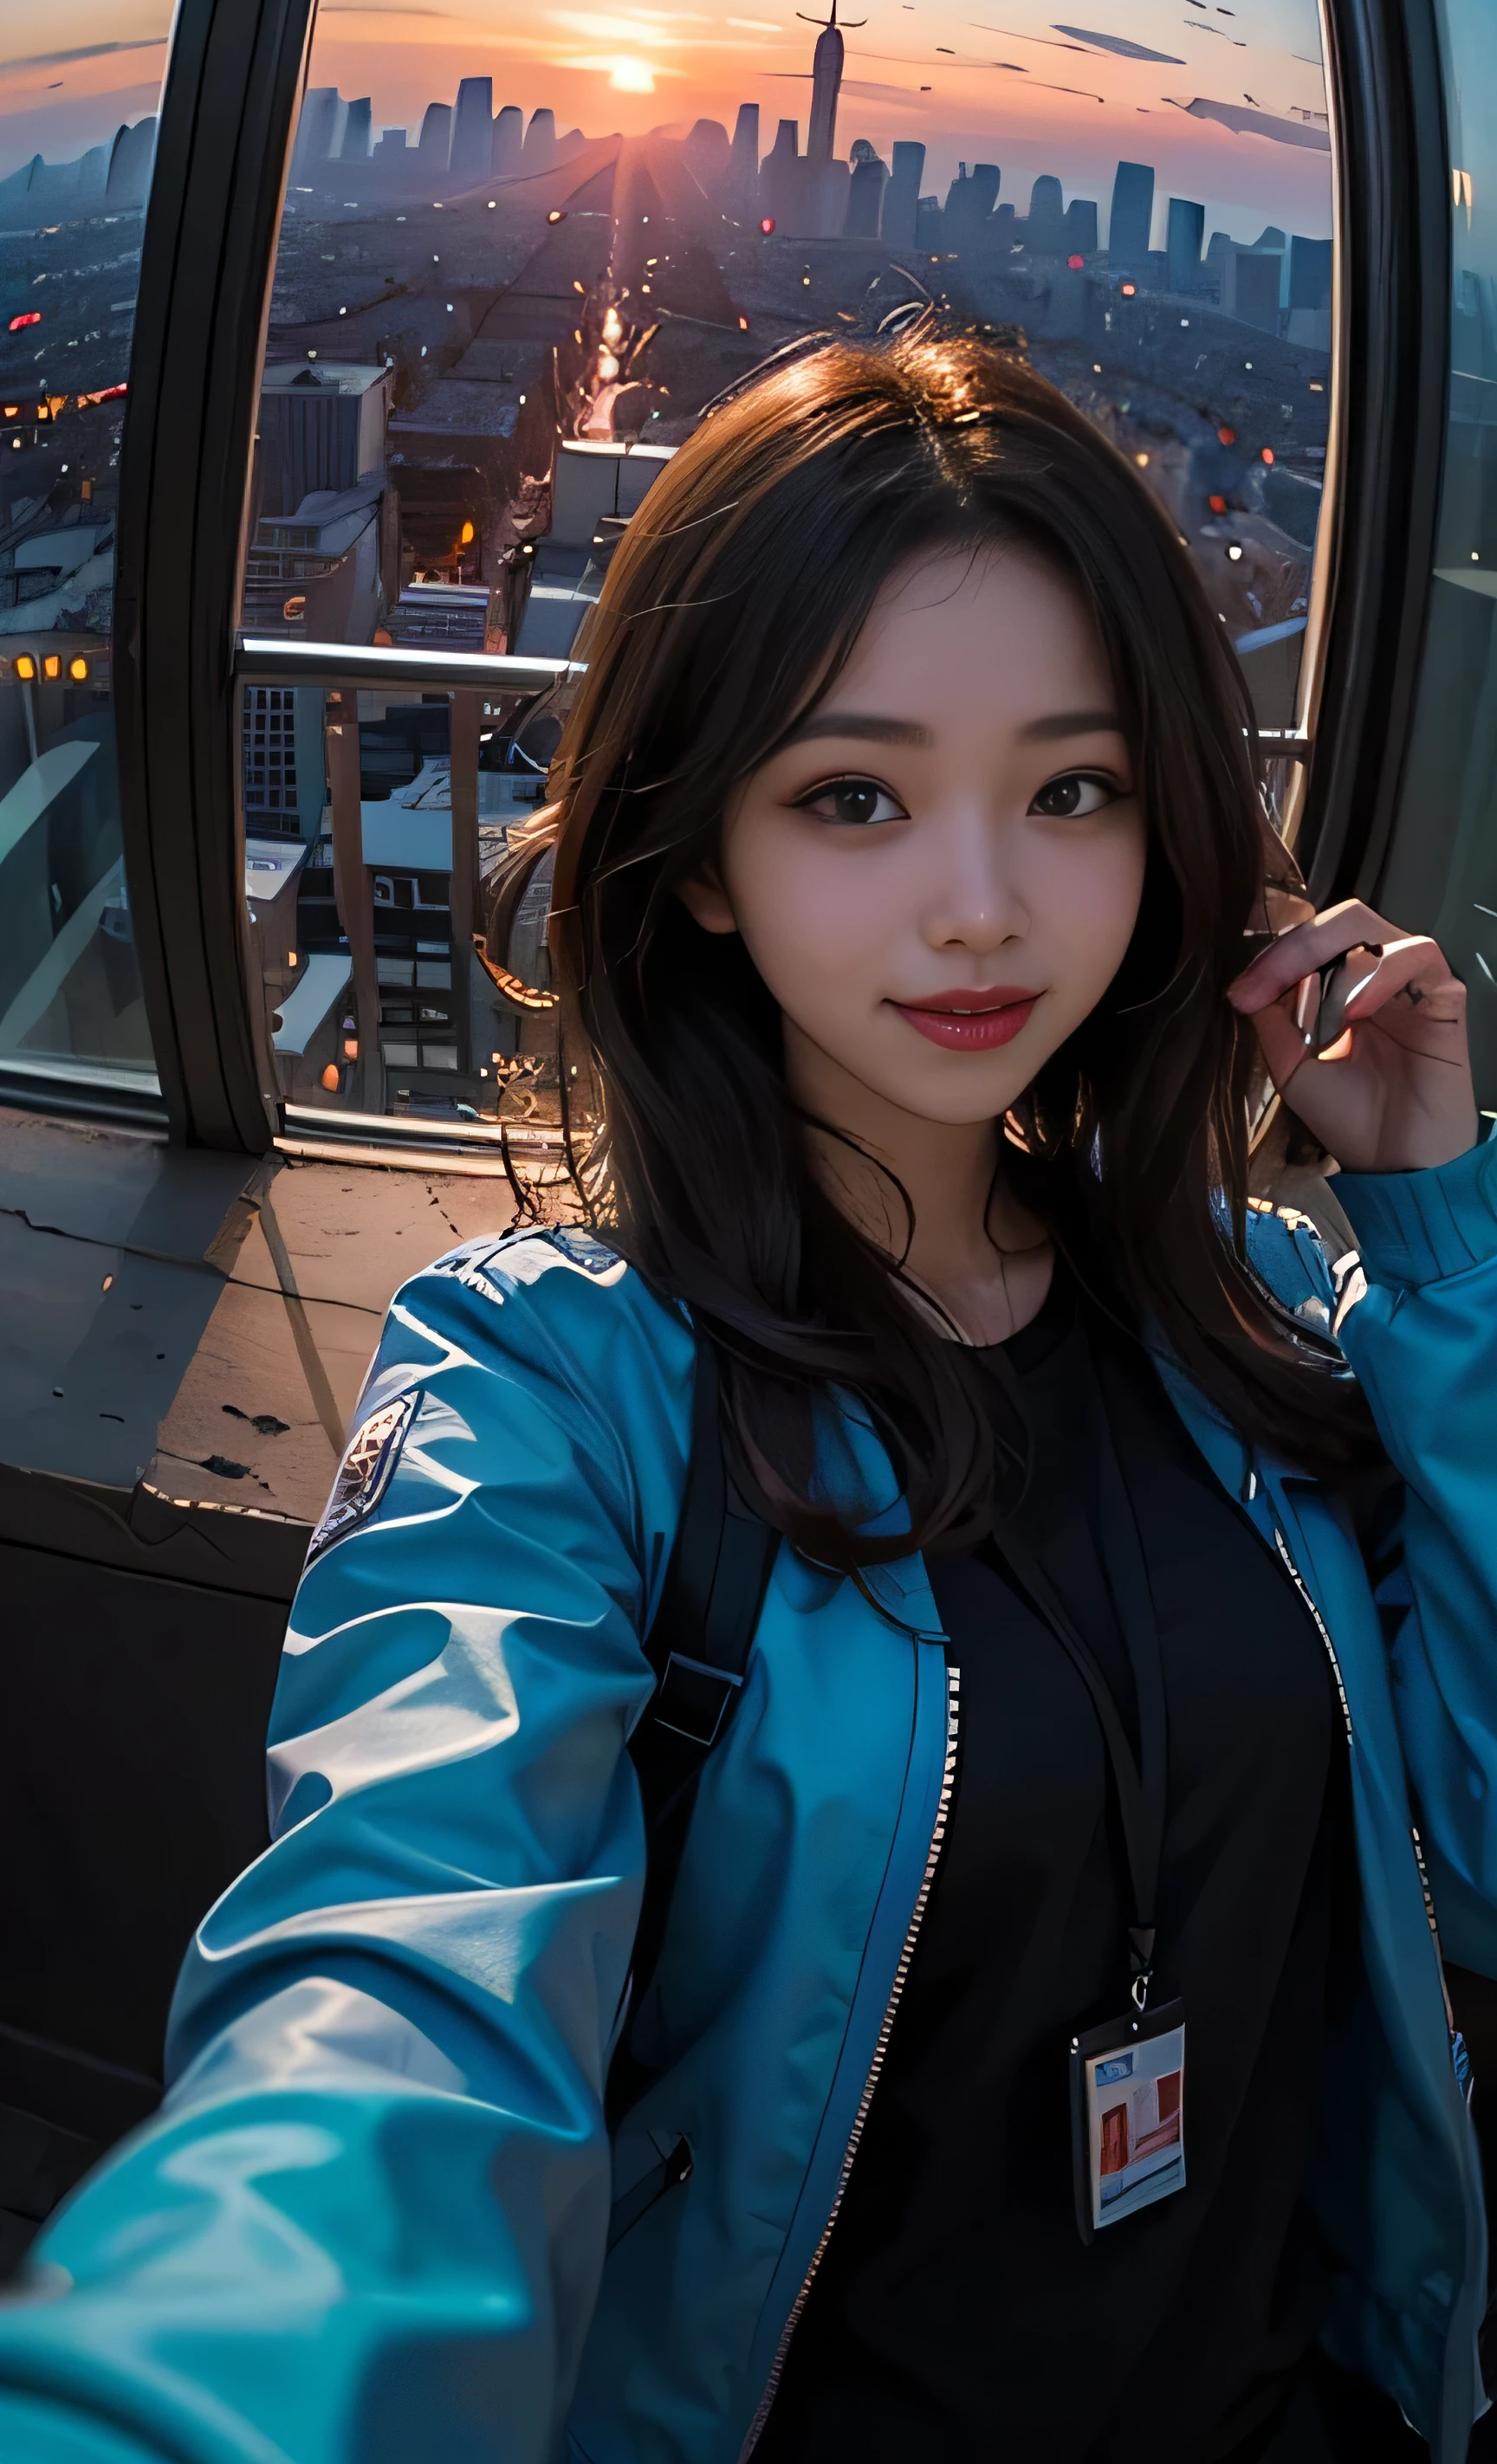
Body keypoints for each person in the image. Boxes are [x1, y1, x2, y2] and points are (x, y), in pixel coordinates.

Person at [0, 329, 1493, 2464]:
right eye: (852, 796)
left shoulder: (1255, 1320)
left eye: (1071, 789)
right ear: (700, 854)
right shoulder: (551, 1396)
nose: (981, 903)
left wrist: (1434, 1230)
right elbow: (396, 2008)